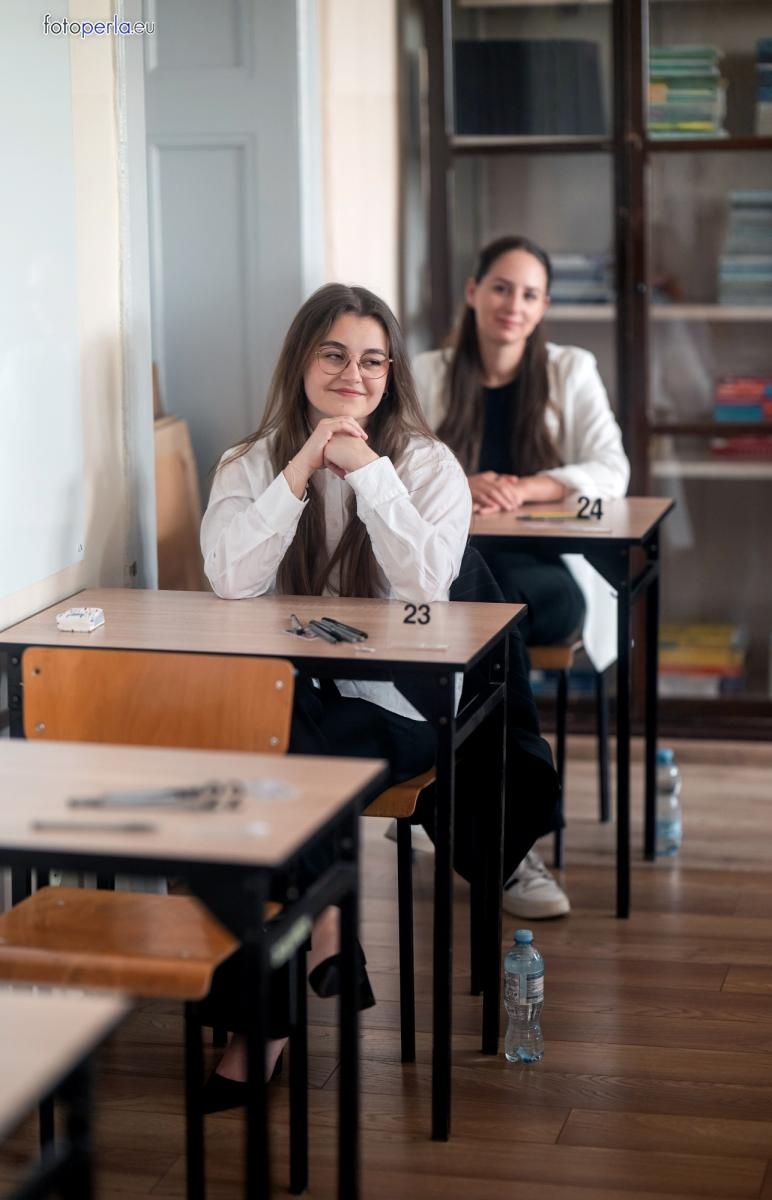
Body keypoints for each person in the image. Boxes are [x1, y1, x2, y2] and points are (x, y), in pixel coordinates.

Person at [199, 282, 473, 1108]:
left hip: (401, 703)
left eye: (372, 360)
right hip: (291, 698)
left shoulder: (426, 465)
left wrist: (367, 473)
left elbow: (428, 581)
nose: (353, 374)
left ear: (390, 373)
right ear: (302, 359)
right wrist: (298, 472)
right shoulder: (249, 462)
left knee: (276, 773)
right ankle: (320, 934)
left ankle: (264, 1023)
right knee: (276, 754)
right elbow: (230, 580)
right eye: (334, 354)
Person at [413, 235, 631, 919]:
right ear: (472, 292)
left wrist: (529, 487)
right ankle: (504, 839)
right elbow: (391, 466)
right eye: (501, 287)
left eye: (529, 293)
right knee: (473, 621)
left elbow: (612, 470)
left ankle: (452, 804)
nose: (513, 304)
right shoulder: (423, 372)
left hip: (543, 573)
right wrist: (457, 481)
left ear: (543, 308)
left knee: (489, 624)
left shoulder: (570, 369)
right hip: (451, 567)